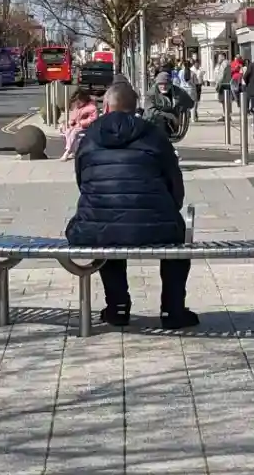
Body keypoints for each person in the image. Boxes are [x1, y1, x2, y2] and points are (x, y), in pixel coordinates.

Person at [66, 81, 197, 330]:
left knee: (107, 226)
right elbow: (175, 184)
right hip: (156, 227)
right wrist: (168, 208)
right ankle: (172, 310)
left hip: (98, 226)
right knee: (178, 234)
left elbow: (82, 180)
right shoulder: (154, 135)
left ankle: (117, 307)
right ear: (135, 107)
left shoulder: (90, 136)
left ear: (106, 106)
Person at [143, 71, 194, 140]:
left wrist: (181, 110)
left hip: (171, 125)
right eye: (160, 84)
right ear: (157, 84)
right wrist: (169, 115)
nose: (163, 87)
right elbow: (150, 111)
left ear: (170, 84)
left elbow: (190, 104)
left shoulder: (179, 92)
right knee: (160, 120)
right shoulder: (151, 94)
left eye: (166, 84)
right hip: (153, 123)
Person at [61, 86, 100, 160]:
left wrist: (82, 122)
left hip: (86, 127)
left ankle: (68, 151)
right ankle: (72, 150)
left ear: (84, 100)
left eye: (79, 102)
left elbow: (93, 119)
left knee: (74, 133)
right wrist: (71, 121)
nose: (77, 104)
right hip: (78, 126)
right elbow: (74, 116)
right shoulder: (78, 108)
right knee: (68, 131)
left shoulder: (92, 108)